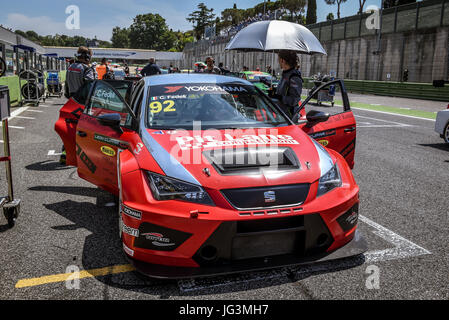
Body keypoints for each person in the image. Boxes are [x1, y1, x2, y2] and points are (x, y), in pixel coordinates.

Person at [269, 50, 303, 120]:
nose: (278, 62)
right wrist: (274, 92)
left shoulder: (294, 77)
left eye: (278, 60)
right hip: (281, 115)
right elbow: (284, 91)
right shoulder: (285, 74)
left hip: (289, 118)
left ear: (282, 60)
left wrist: (279, 97)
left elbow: (294, 100)